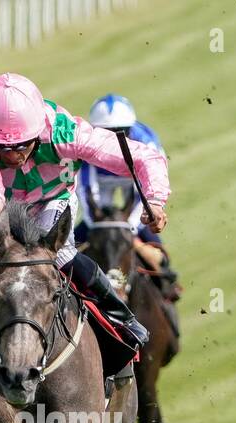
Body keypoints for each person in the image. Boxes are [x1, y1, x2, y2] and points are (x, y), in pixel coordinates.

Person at [0, 73, 169, 373]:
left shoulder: (65, 131)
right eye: (1, 147)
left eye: (21, 145)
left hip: (52, 198)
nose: (12, 155)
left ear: (37, 132)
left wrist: (155, 199)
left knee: (60, 255)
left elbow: (143, 157)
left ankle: (121, 319)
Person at [73, 93, 180, 306]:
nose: (114, 139)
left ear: (131, 129)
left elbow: (146, 195)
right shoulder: (84, 144)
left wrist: (127, 232)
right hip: (99, 182)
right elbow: (86, 193)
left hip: (134, 179)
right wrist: (105, 229)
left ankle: (167, 282)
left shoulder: (148, 143)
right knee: (69, 247)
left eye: (121, 132)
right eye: (107, 133)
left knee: (149, 241)